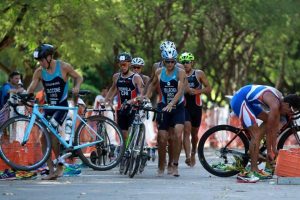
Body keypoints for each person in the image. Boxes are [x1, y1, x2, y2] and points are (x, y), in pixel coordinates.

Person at [27, 44, 83, 180]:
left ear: (49, 57)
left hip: (62, 106)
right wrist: (25, 95)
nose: (40, 63)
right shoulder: (39, 71)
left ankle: (60, 167)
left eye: (42, 60)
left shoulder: (63, 66)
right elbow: (31, 87)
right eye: (38, 61)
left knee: (52, 132)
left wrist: (77, 87)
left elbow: (79, 77)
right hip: (49, 106)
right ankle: (52, 170)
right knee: (42, 138)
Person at [230, 85, 297, 181]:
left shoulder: (279, 104)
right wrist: (269, 151)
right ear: (287, 104)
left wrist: (273, 149)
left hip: (248, 101)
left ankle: (254, 147)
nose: (288, 114)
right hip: (240, 100)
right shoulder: (275, 105)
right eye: (290, 111)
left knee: (266, 122)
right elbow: (270, 131)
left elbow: (273, 130)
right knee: (256, 134)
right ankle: (253, 170)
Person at [145, 47, 186, 177]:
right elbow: (152, 84)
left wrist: (171, 103)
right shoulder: (158, 71)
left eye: (172, 62)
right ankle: (161, 165)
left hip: (177, 107)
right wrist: (147, 95)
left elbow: (180, 91)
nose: (170, 64)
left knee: (177, 136)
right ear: (163, 61)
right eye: (167, 62)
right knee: (162, 138)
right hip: (163, 107)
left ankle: (174, 164)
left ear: (175, 61)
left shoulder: (180, 72)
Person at [179, 52, 211, 167]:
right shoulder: (179, 74)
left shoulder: (199, 73)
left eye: (187, 62)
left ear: (192, 62)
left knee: (195, 133)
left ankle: (193, 152)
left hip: (196, 106)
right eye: (183, 62)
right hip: (184, 106)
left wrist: (197, 91)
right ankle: (187, 156)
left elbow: (208, 88)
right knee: (186, 130)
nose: (185, 64)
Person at [104, 52, 144, 142]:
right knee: (123, 134)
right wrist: (106, 100)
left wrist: (132, 101)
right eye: (121, 65)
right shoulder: (116, 76)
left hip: (133, 108)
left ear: (129, 64)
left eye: (125, 64)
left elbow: (142, 95)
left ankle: (131, 151)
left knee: (130, 132)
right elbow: (113, 88)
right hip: (120, 108)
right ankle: (124, 152)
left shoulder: (136, 77)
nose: (123, 67)